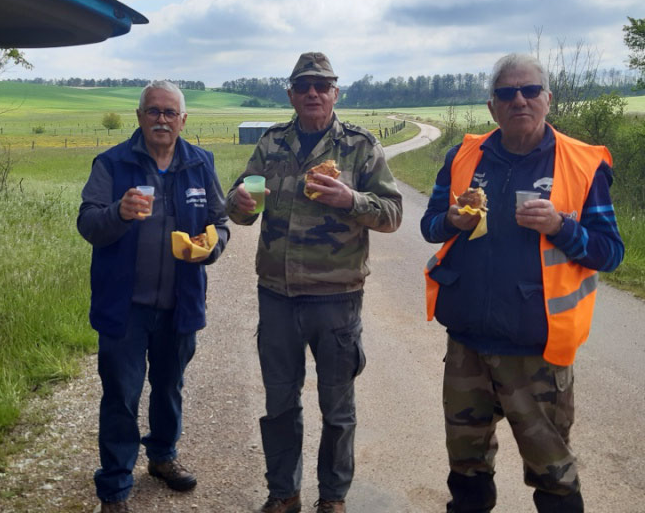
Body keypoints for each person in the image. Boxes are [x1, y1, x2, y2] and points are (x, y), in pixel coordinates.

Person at [421, 53, 625, 513]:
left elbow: (611, 252)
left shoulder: (580, 163)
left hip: (537, 352)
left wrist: (560, 227)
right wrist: (450, 220)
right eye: (507, 93)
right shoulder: (463, 156)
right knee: (466, 470)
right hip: (468, 345)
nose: (519, 100)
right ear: (492, 106)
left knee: (553, 477)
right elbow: (430, 225)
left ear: (547, 100)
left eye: (530, 90)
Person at [227, 52, 403, 513]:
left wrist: (350, 200)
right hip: (278, 297)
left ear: (335, 94)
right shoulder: (271, 144)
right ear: (290, 93)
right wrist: (240, 203)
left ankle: (333, 498)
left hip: (337, 299)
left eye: (321, 86)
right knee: (280, 403)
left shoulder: (361, 146)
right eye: (303, 85)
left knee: (337, 409)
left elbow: (393, 215)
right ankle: (283, 494)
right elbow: (240, 204)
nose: (312, 93)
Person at [77, 80, 230, 513]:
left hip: (181, 301)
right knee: (122, 395)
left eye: (170, 112)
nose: (161, 119)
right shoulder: (112, 163)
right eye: (153, 111)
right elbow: (88, 224)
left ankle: (162, 456)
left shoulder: (200, 163)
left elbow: (220, 220)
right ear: (140, 116)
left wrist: (212, 246)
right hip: (124, 306)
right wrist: (118, 213)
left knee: (168, 387)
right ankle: (115, 486)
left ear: (183, 120)